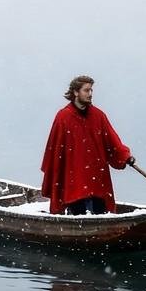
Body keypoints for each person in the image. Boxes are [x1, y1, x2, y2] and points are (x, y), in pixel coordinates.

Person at [41, 75, 135, 215]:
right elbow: (54, 152)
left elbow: (112, 141)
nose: (90, 94)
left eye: (91, 90)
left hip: (97, 181)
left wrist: (125, 156)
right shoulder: (63, 117)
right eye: (86, 90)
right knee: (78, 214)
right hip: (74, 182)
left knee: (100, 212)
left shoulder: (98, 116)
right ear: (75, 92)